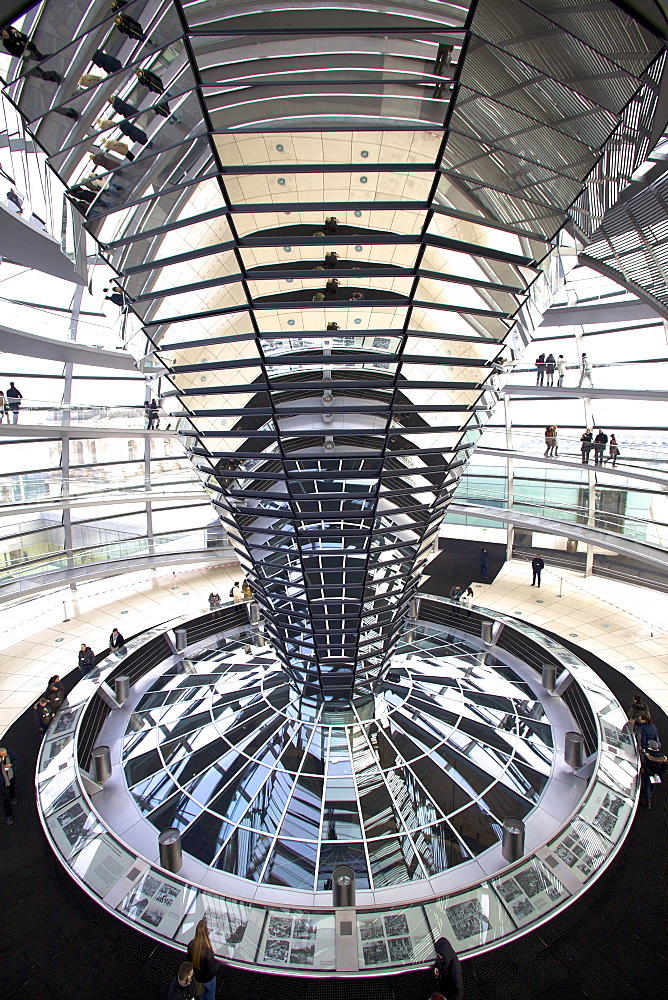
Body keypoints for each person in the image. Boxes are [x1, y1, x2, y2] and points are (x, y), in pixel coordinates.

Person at [187, 919, 219, 1000]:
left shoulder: (191, 945)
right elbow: (211, 970)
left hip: (197, 978)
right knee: (210, 996)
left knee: (201, 994)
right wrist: (218, 963)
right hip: (208, 979)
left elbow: (190, 960)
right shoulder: (208, 952)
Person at [432, 936, 464, 1000]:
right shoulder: (445, 955)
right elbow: (439, 960)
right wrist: (436, 967)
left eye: (439, 955)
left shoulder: (455, 971)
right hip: (445, 986)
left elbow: (458, 992)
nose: (438, 956)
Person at [639, 740, 667, 810]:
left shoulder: (648, 755)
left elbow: (645, 765)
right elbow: (665, 767)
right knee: (653, 784)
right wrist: (660, 773)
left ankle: (647, 801)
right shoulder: (663, 757)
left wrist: (649, 772)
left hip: (649, 773)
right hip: (657, 774)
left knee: (647, 785)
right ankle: (651, 795)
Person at [0, 747, 18, 825]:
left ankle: (13, 796)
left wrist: (11, 764)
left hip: (10, 776)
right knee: (5, 798)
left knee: (12, 788)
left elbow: (16, 759)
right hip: (2, 780)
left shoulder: (10, 753)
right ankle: (9, 816)